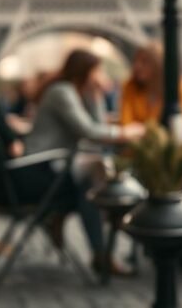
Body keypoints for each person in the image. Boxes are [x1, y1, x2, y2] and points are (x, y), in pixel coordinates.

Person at [26, 49, 145, 274]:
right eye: (98, 70)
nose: (101, 75)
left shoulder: (74, 91)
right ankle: (106, 245)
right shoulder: (61, 91)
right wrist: (125, 132)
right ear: (86, 71)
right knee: (93, 187)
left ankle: (99, 248)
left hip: (55, 168)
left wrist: (96, 95)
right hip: (40, 170)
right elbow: (88, 130)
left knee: (93, 185)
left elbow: (96, 128)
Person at [118, 42, 182, 128]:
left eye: (145, 61)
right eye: (135, 61)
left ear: (158, 64)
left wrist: (143, 129)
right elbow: (126, 124)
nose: (137, 66)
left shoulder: (181, 87)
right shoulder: (130, 86)